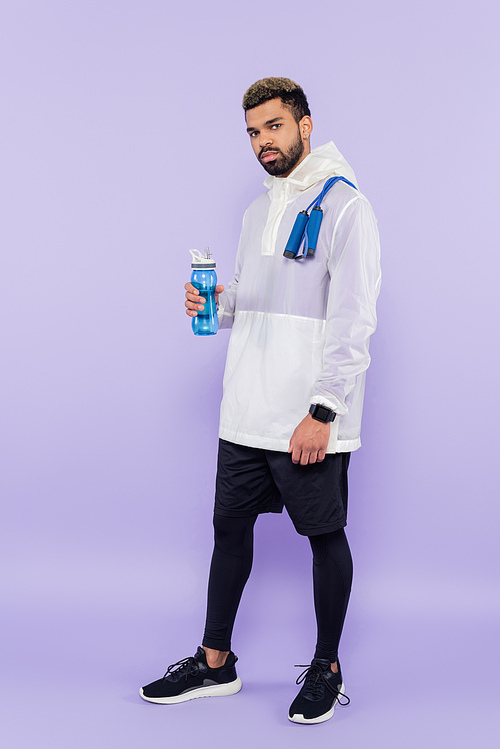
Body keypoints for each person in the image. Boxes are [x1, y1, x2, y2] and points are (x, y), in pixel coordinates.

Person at [140, 77, 381, 725]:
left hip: (309, 417)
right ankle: (216, 663)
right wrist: (213, 305)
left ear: (306, 124)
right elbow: (252, 302)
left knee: (324, 536)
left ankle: (326, 666)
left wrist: (324, 409)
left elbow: (354, 322)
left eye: (273, 126)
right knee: (228, 531)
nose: (262, 142)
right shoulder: (257, 209)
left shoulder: (347, 207)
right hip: (245, 409)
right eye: (252, 131)